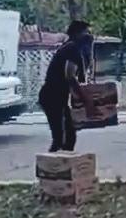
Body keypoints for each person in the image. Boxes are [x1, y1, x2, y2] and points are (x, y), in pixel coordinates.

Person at [38, 20, 98, 152]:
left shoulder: (70, 47)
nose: (89, 36)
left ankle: (61, 161)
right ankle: (55, 162)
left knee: (67, 136)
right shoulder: (72, 48)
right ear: (77, 34)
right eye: (86, 32)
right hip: (52, 96)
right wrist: (85, 98)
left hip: (56, 96)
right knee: (62, 138)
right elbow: (69, 75)